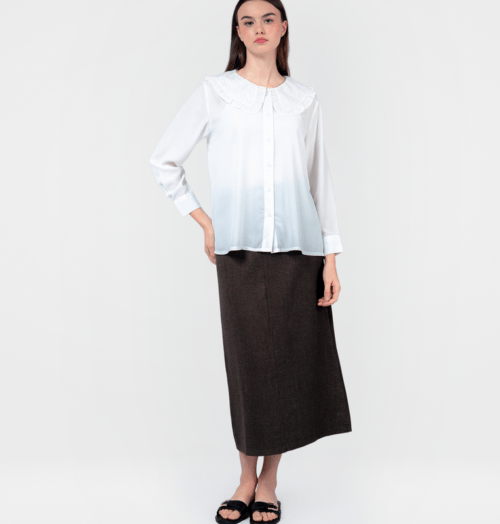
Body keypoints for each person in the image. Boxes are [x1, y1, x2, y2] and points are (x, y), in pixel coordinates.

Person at [149, 1, 352, 522]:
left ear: (283, 28)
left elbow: (319, 181)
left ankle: (269, 481)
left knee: (291, 364)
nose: (258, 28)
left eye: (267, 19)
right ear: (237, 33)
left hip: (299, 252)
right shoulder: (215, 93)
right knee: (249, 367)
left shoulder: (304, 101)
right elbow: (164, 160)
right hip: (238, 251)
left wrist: (331, 258)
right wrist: (205, 222)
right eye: (247, 21)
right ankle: (244, 477)